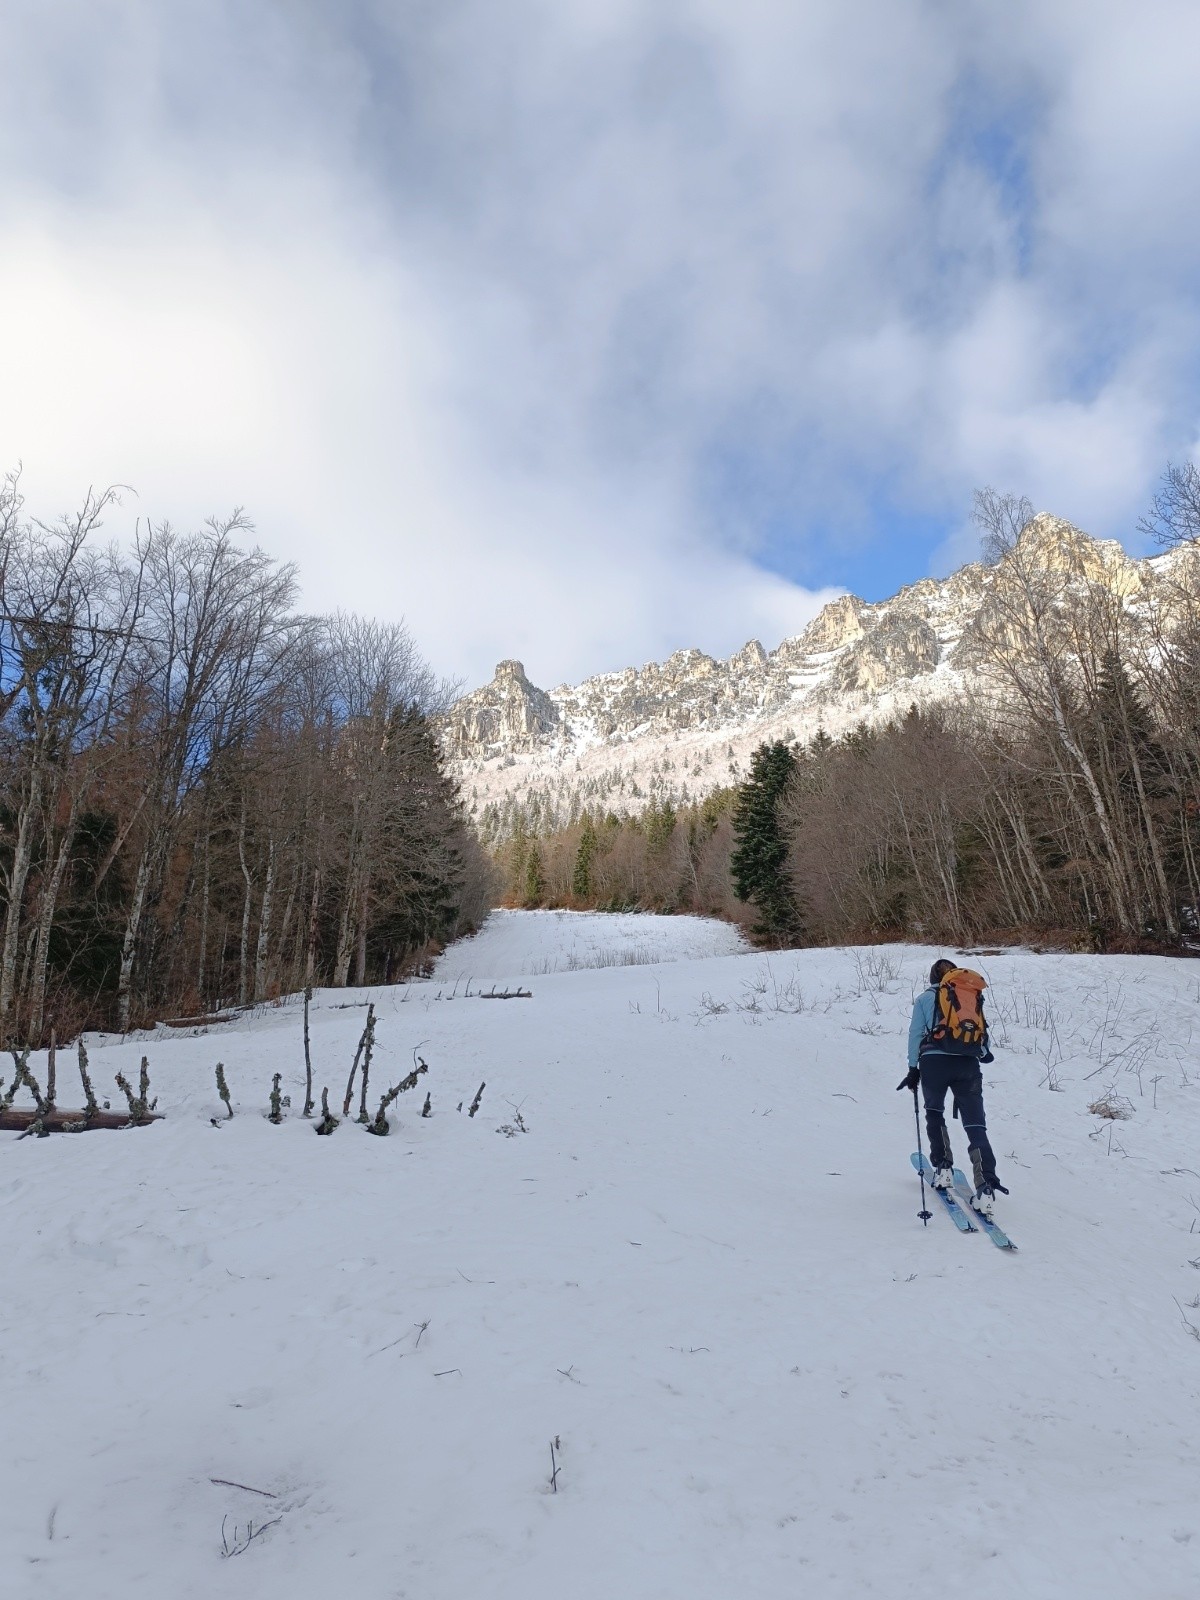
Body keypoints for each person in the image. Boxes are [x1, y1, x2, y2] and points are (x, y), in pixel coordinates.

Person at [897, 958, 1008, 1217]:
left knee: (934, 1112)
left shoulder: (925, 999)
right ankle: (986, 1187)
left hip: (934, 1063)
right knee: (975, 1125)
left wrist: (913, 1068)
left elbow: (915, 1034)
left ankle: (944, 1168)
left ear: (932, 978)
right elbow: (979, 1029)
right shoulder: (969, 996)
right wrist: (984, 1052)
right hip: (967, 1065)